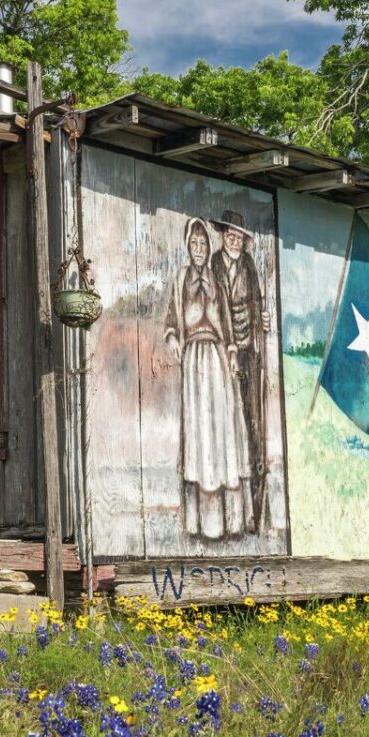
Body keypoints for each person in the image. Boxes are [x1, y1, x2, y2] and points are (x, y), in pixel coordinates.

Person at [164, 217, 252, 540]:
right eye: (194, 244)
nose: (199, 250)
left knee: (222, 431)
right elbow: (171, 321)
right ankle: (200, 524)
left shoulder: (216, 280)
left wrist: (230, 352)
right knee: (198, 432)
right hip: (193, 361)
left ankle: (230, 522)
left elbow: (226, 321)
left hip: (215, 359)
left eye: (204, 244)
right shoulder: (181, 279)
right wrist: (173, 337)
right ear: (188, 247)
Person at [209, 209, 268, 532]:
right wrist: (230, 347)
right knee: (230, 418)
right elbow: (221, 307)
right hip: (227, 346)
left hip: (251, 349)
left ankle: (257, 508)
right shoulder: (217, 263)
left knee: (255, 416)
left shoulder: (248, 265)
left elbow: (256, 301)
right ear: (223, 237)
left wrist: (262, 323)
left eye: (238, 236)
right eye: (229, 235)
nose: (233, 240)